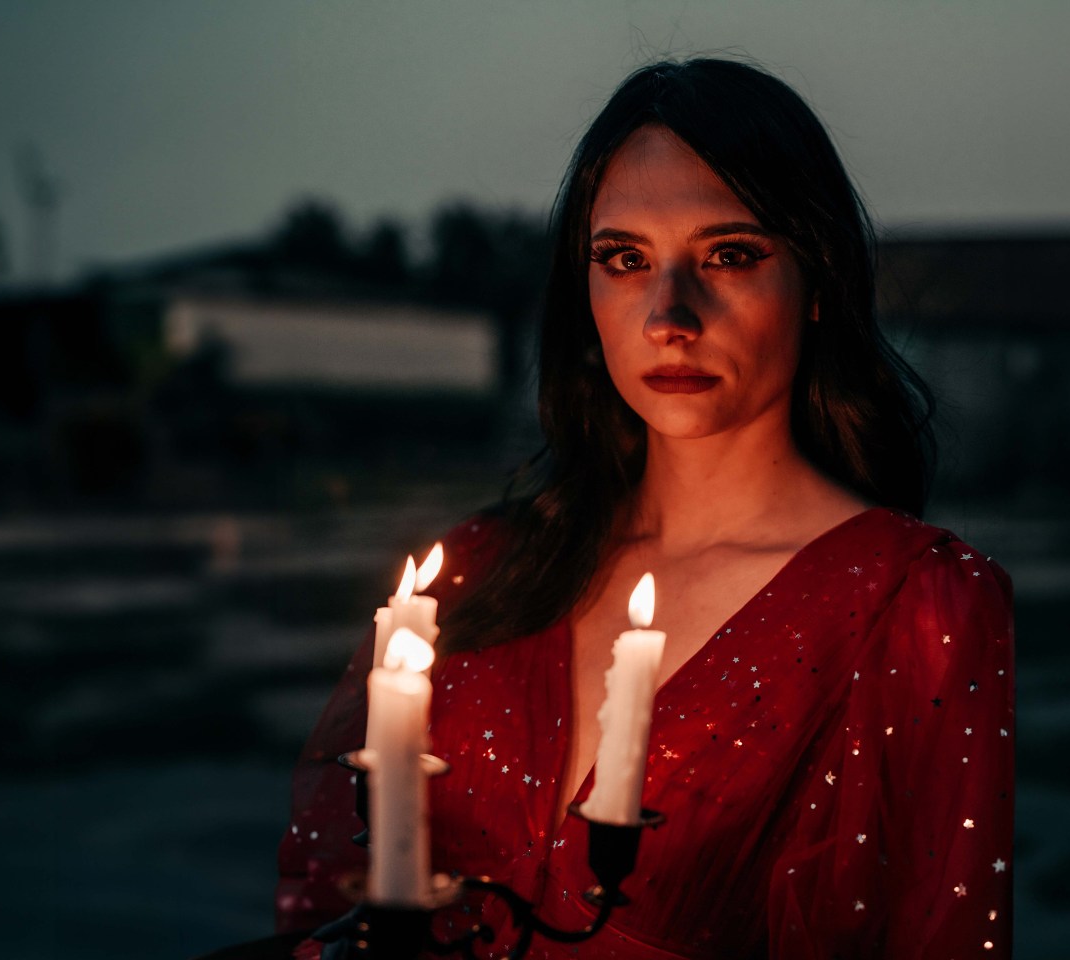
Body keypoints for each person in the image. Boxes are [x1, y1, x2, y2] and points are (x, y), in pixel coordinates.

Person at [276, 58, 1014, 960]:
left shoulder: (917, 605)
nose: (670, 313)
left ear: (818, 284)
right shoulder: (480, 567)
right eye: (625, 260)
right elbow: (335, 902)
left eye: (729, 255)